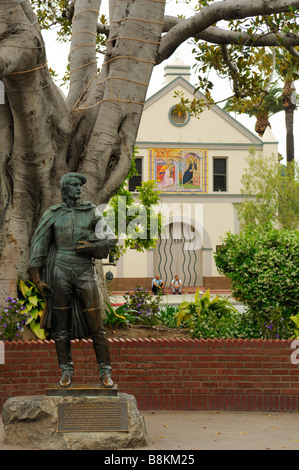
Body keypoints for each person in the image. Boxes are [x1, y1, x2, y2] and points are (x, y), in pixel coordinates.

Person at [28, 172, 117, 388]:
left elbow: (111, 239)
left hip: (84, 271)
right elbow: (39, 246)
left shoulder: (91, 212)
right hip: (60, 270)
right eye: (74, 185)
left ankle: (105, 371)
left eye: (80, 185)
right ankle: (66, 370)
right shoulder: (54, 213)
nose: (79, 189)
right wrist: (38, 280)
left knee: (97, 324)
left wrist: (92, 247)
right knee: (61, 326)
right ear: (65, 189)